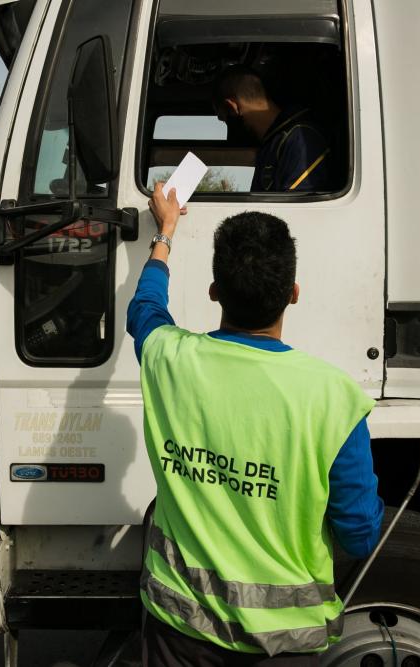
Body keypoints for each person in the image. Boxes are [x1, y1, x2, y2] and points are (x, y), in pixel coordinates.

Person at [126, 184, 384, 665]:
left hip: (179, 631)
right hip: (285, 645)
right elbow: (359, 535)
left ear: (214, 292)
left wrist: (165, 232)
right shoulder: (334, 397)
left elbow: (145, 308)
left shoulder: (168, 358)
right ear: (294, 293)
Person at [211, 65, 334, 192]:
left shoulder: (301, 138)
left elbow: (296, 208)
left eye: (224, 119)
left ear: (233, 106)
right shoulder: (271, 144)